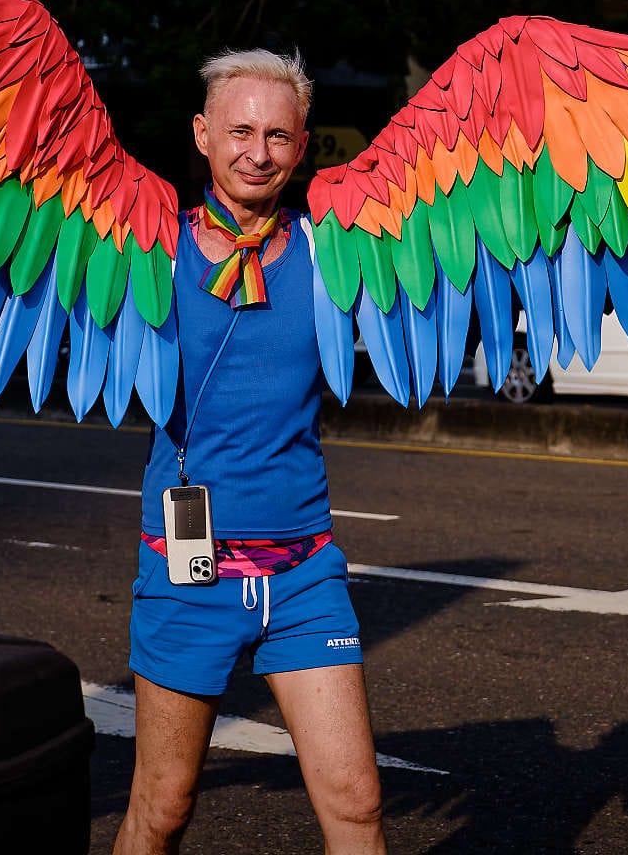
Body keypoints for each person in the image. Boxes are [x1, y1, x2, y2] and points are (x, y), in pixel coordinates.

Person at [115, 51, 386, 855]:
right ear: (202, 135)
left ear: (304, 149)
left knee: (358, 802)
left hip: (305, 575)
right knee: (162, 809)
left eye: (277, 135)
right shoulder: (143, 249)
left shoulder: (336, 254)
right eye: (239, 130)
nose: (256, 152)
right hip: (187, 575)